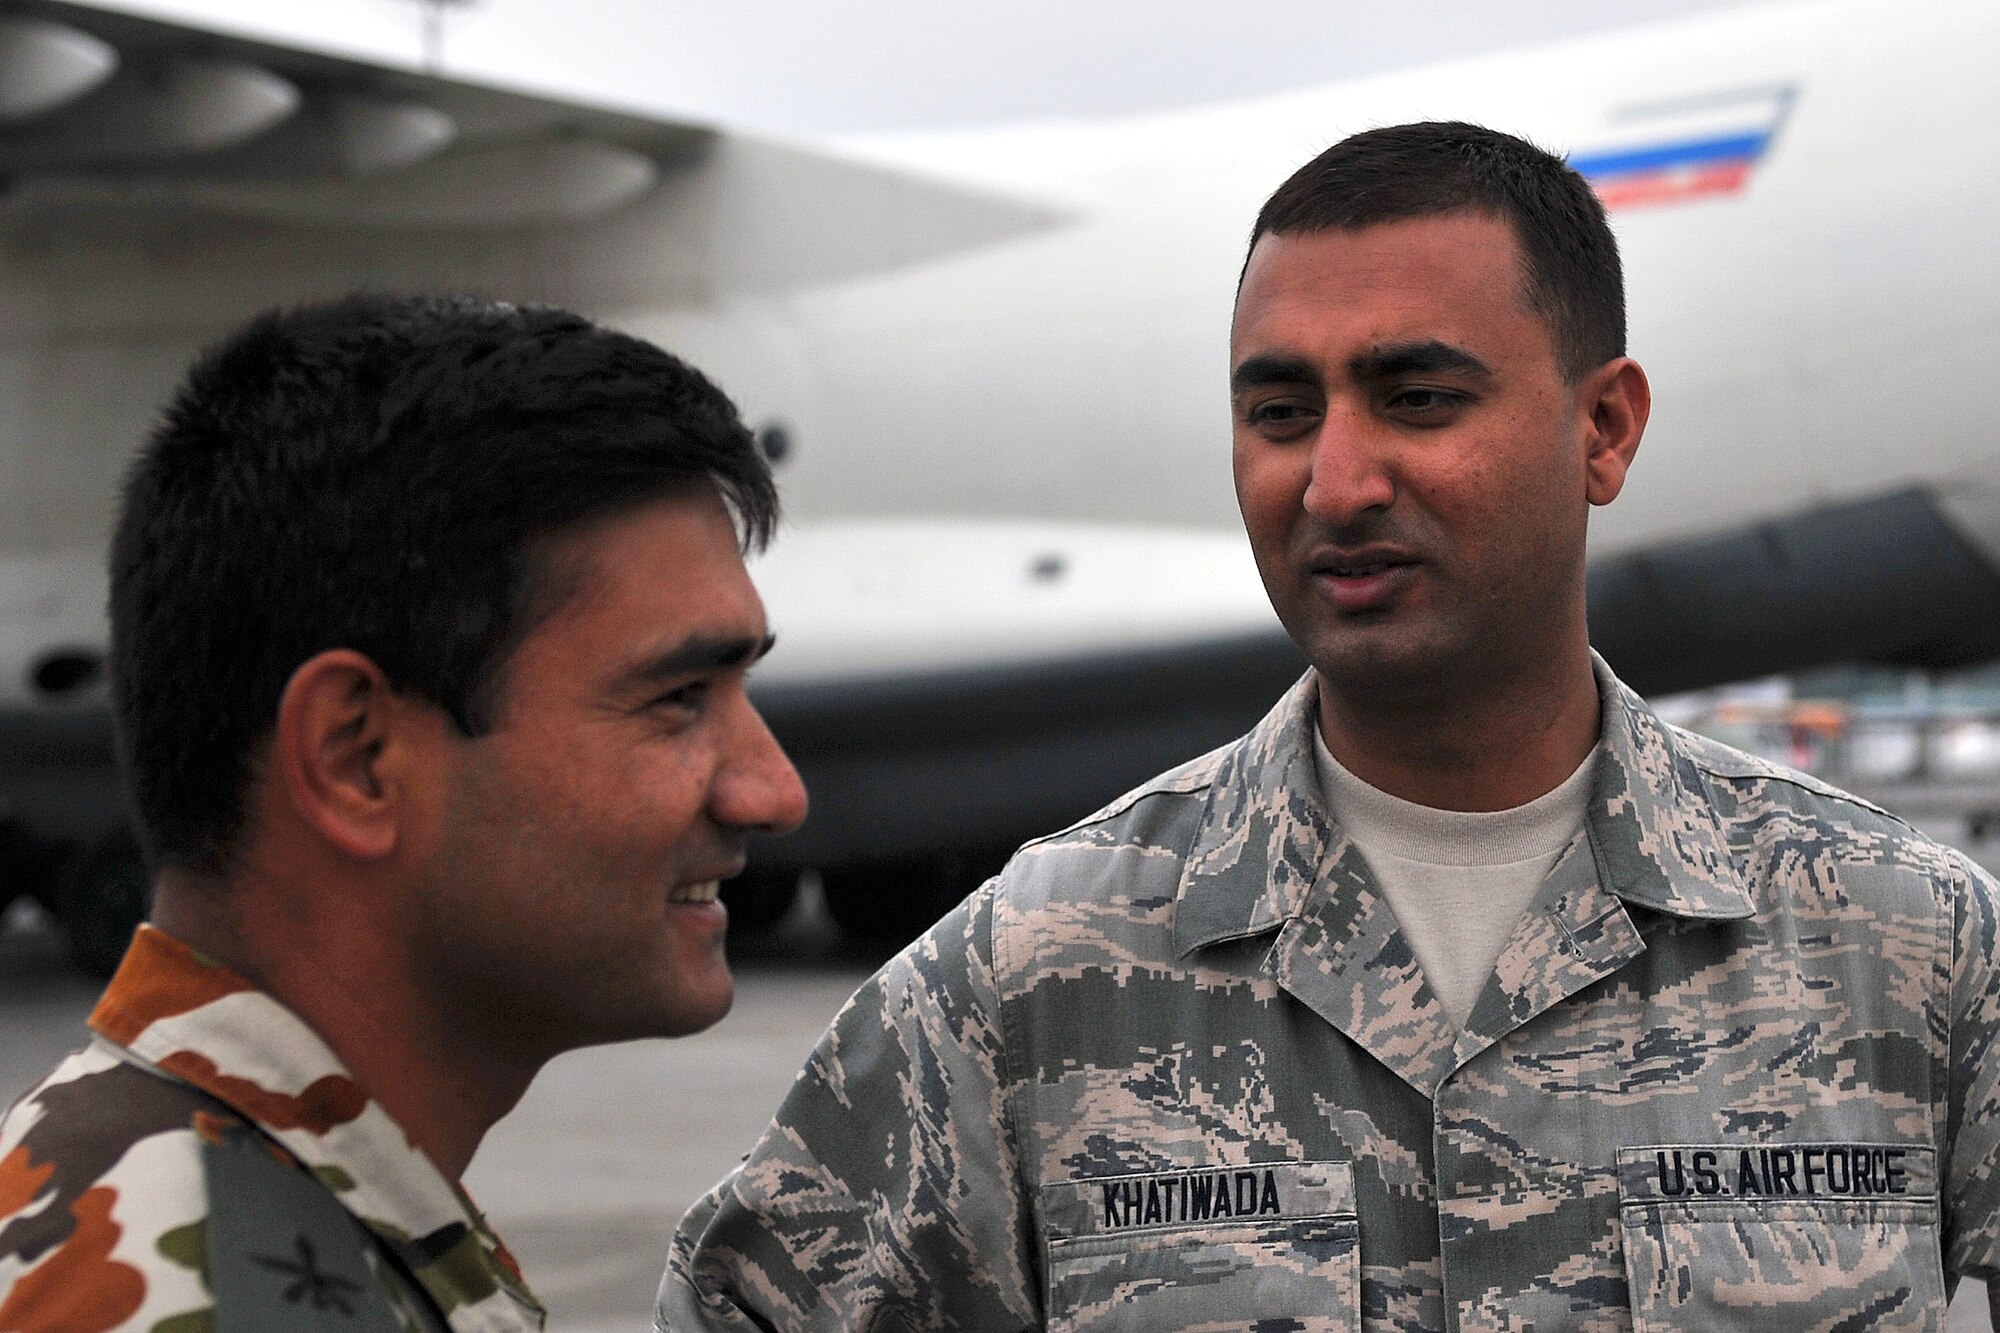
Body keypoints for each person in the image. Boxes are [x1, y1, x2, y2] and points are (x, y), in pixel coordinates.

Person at [659, 122, 2000, 1330]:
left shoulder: (1907, 946)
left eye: (1419, 398)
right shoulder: (1044, 970)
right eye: (1281, 412)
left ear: (1604, 427)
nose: (1336, 481)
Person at [0, 293, 808, 1332]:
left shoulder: (251, 1210)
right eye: (676, 698)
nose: (772, 791)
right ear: (356, 758)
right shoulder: (201, 1294)